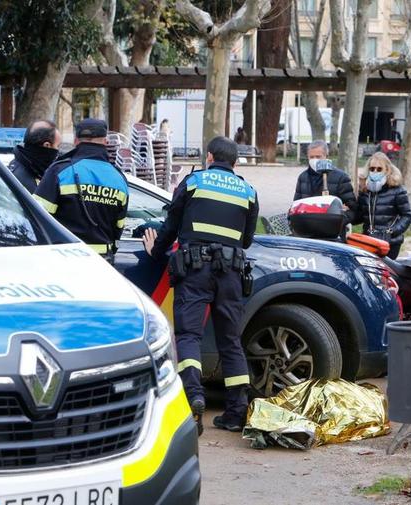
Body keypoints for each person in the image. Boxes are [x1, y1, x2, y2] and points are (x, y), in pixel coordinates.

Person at [142, 136, 259, 435]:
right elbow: (246, 240)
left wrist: (156, 251)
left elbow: (171, 223)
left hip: (194, 270)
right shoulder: (248, 191)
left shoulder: (194, 183)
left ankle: (193, 398)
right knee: (230, 341)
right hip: (231, 273)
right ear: (234, 162)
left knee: (189, 336)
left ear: (209, 157)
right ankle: (235, 413)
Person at [34, 119, 128, 262]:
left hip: (64, 258)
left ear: (76, 141)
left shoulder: (59, 170)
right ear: (106, 142)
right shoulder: (119, 178)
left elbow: (37, 216)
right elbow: (119, 226)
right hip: (102, 262)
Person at [356, 152, 411, 259]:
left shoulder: (397, 190)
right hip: (368, 240)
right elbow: (359, 216)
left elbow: (407, 215)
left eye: (379, 169)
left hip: (390, 242)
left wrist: (391, 231)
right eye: (372, 169)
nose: (375, 172)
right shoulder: (365, 191)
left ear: (387, 170)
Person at [293, 140, 358, 224]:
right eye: (311, 157)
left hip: (332, 231)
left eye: (318, 157)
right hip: (307, 229)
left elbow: (352, 209)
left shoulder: (341, 177)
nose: (314, 160)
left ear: (326, 156)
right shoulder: (303, 177)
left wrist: (338, 222)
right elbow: (296, 205)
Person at [9, 120, 62, 193]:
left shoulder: (32, 169)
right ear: (47, 145)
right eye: (57, 146)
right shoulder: (21, 180)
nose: (58, 150)